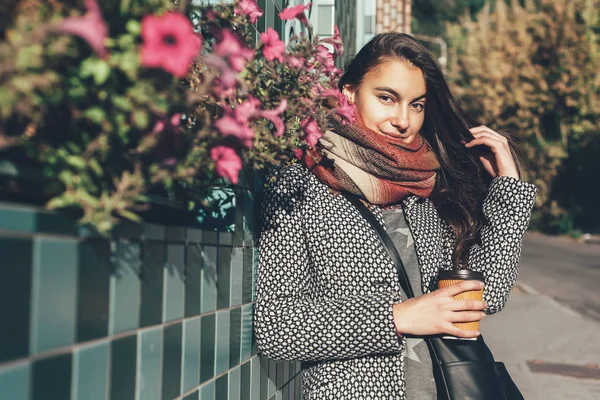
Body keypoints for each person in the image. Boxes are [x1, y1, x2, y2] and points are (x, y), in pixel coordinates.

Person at [253, 33, 538, 399]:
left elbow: (489, 296)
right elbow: (275, 328)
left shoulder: (429, 185)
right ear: (351, 91)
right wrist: (396, 318)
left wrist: (508, 189)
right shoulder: (300, 183)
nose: (403, 120)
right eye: (386, 98)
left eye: (416, 105)